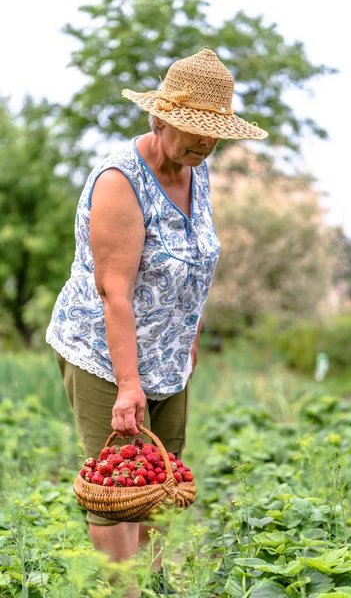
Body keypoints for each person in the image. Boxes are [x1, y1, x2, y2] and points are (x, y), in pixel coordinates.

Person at [46, 47, 268, 596]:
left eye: (215, 131)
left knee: (158, 483)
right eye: (195, 128)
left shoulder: (198, 169)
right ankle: (124, 591)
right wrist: (128, 384)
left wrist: (187, 339)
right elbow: (114, 291)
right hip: (106, 354)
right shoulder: (121, 181)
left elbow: (194, 264)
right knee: (116, 489)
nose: (206, 140)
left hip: (169, 358)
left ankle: (154, 584)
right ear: (162, 117)